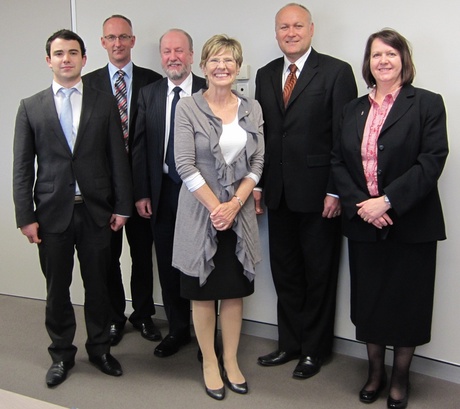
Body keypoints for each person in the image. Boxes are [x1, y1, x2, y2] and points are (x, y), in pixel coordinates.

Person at [331, 29, 448, 409]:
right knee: (370, 302)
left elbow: (431, 161)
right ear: (368, 62)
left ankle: (399, 378)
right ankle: (375, 372)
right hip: (364, 223)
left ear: (403, 60)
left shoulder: (427, 104)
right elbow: (337, 161)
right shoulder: (352, 108)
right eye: (376, 54)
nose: (383, 60)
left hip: (411, 224)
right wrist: (362, 204)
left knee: (407, 303)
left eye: (391, 54)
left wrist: (388, 201)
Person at [12, 29, 133, 387]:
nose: (66, 59)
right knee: (57, 290)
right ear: (48, 60)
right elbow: (22, 168)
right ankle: (62, 354)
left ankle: (100, 350)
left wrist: (123, 206)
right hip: (51, 215)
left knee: (98, 286)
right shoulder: (30, 107)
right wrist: (25, 217)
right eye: (59, 53)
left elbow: (118, 159)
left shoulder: (103, 102)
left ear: (84, 58)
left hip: (96, 211)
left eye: (73, 53)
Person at [254, 3, 357, 379]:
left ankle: (315, 350)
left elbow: (345, 139)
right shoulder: (266, 75)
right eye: (284, 27)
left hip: (320, 196)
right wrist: (259, 185)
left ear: (311, 30)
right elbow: (262, 137)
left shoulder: (336, 72)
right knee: (285, 273)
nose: (291, 32)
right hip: (278, 193)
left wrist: (335, 191)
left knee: (319, 274)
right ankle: (289, 343)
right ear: (276, 32)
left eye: (298, 26)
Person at [172, 34, 264, 400]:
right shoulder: (187, 108)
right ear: (203, 66)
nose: (222, 67)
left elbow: (258, 162)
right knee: (203, 293)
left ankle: (231, 360)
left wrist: (234, 205)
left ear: (238, 67)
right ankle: (209, 361)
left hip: (238, 215)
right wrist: (216, 207)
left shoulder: (251, 108)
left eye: (229, 61)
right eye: (214, 60)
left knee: (234, 291)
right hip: (200, 214)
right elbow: (184, 164)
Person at [83, 15, 162, 346]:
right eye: (111, 37)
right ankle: (116, 316)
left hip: (143, 184)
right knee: (108, 256)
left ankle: (143, 314)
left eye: (123, 37)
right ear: (102, 42)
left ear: (132, 40)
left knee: (143, 255)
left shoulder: (152, 80)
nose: (117, 43)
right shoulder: (87, 84)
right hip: (106, 189)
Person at [132, 29, 206, 358]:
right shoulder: (148, 94)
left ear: (191, 55)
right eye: (166, 51)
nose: (172, 57)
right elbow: (139, 148)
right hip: (161, 192)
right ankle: (178, 330)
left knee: (205, 263)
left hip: (201, 194)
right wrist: (142, 192)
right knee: (168, 264)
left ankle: (206, 334)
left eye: (179, 50)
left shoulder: (209, 90)